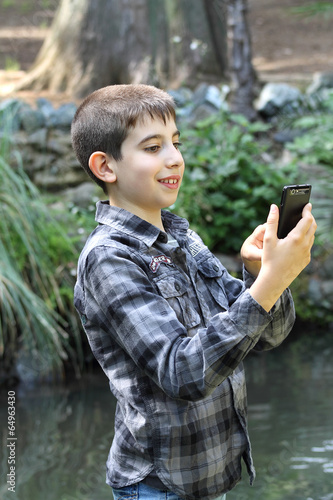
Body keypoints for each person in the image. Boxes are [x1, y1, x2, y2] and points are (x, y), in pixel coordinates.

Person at [71, 84, 317, 500]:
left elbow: (267, 336)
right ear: (105, 167)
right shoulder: (108, 260)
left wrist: (260, 274)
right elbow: (182, 372)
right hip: (158, 487)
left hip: (208, 480)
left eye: (175, 142)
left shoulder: (182, 235)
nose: (174, 157)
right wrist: (271, 283)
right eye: (152, 148)